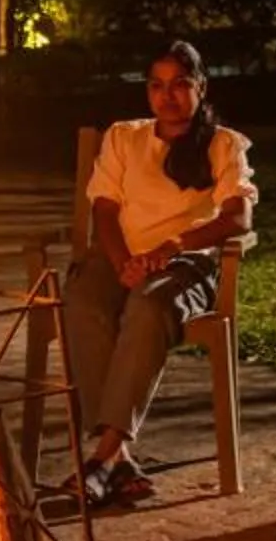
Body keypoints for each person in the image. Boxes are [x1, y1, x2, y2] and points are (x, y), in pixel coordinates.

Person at [60, 39, 257, 507]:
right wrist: (123, 262)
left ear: (201, 88)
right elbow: (104, 211)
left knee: (148, 306)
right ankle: (119, 460)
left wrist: (175, 245)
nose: (167, 96)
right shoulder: (124, 137)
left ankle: (102, 459)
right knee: (84, 301)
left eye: (180, 85)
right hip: (121, 255)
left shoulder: (223, 144)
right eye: (157, 85)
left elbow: (238, 219)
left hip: (185, 262)